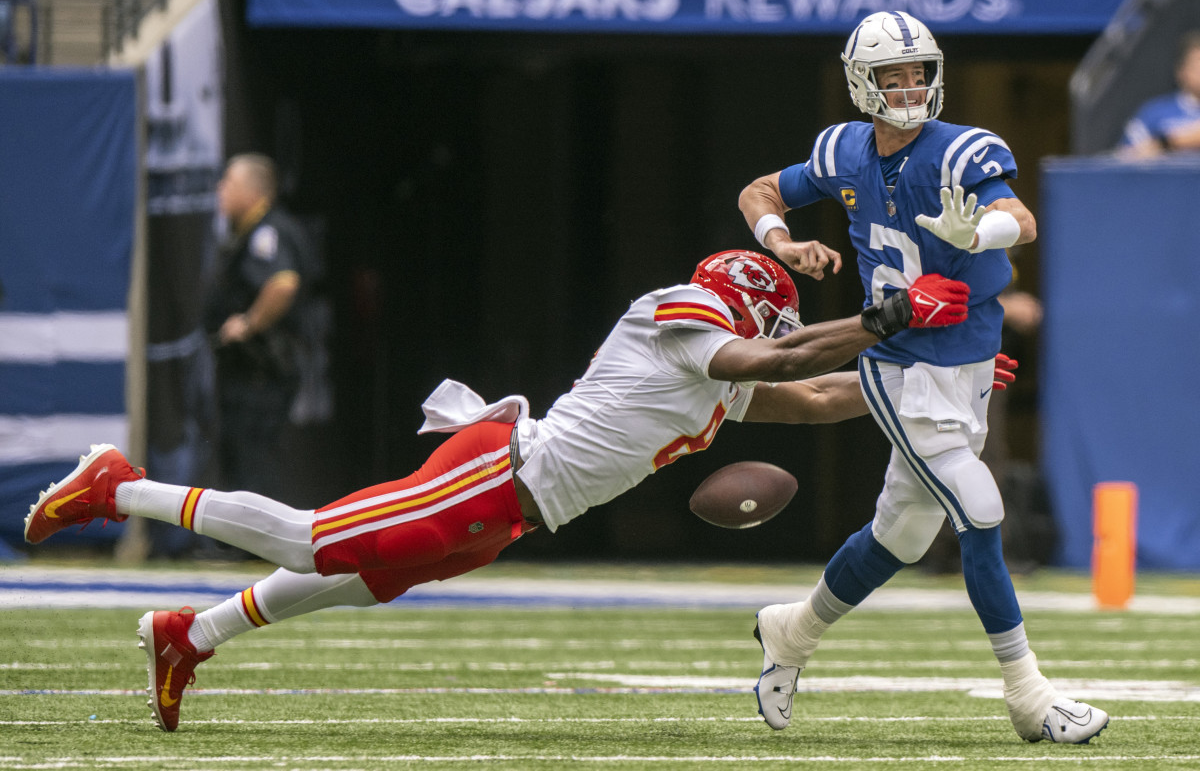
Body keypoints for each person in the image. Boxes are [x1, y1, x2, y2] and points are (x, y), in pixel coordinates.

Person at [24, 249, 971, 732]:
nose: (783, 325)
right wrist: (885, 316)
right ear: (753, 297)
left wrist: (929, 379)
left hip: (521, 507)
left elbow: (808, 396)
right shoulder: (688, 320)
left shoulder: (720, 378)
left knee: (365, 578)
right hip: (500, 468)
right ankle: (121, 486)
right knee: (318, 542)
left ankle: (192, 633)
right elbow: (779, 354)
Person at [738, 11, 1108, 744]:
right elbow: (760, 191)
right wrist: (782, 244)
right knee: (980, 510)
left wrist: (981, 233)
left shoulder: (961, 151)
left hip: (964, 360)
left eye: (917, 74)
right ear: (860, 83)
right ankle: (1028, 695)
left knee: (900, 536)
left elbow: (1019, 217)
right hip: (897, 359)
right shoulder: (843, 151)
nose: (908, 88)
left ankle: (792, 632)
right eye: (891, 77)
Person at [204, 153, 308, 501]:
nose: (220, 189)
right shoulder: (244, 234)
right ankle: (240, 547)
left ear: (253, 191)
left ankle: (254, 547)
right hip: (246, 371)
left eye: (228, 182)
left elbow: (283, 283)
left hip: (263, 369)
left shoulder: (267, 232)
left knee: (253, 454)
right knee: (239, 451)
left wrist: (248, 323)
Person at [1119, 31, 1200, 158]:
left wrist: (1165, 143)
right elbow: (1125, 155)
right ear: (1181, 71)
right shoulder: (1154, 112)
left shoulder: (1166, 141)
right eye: (1197, 65)